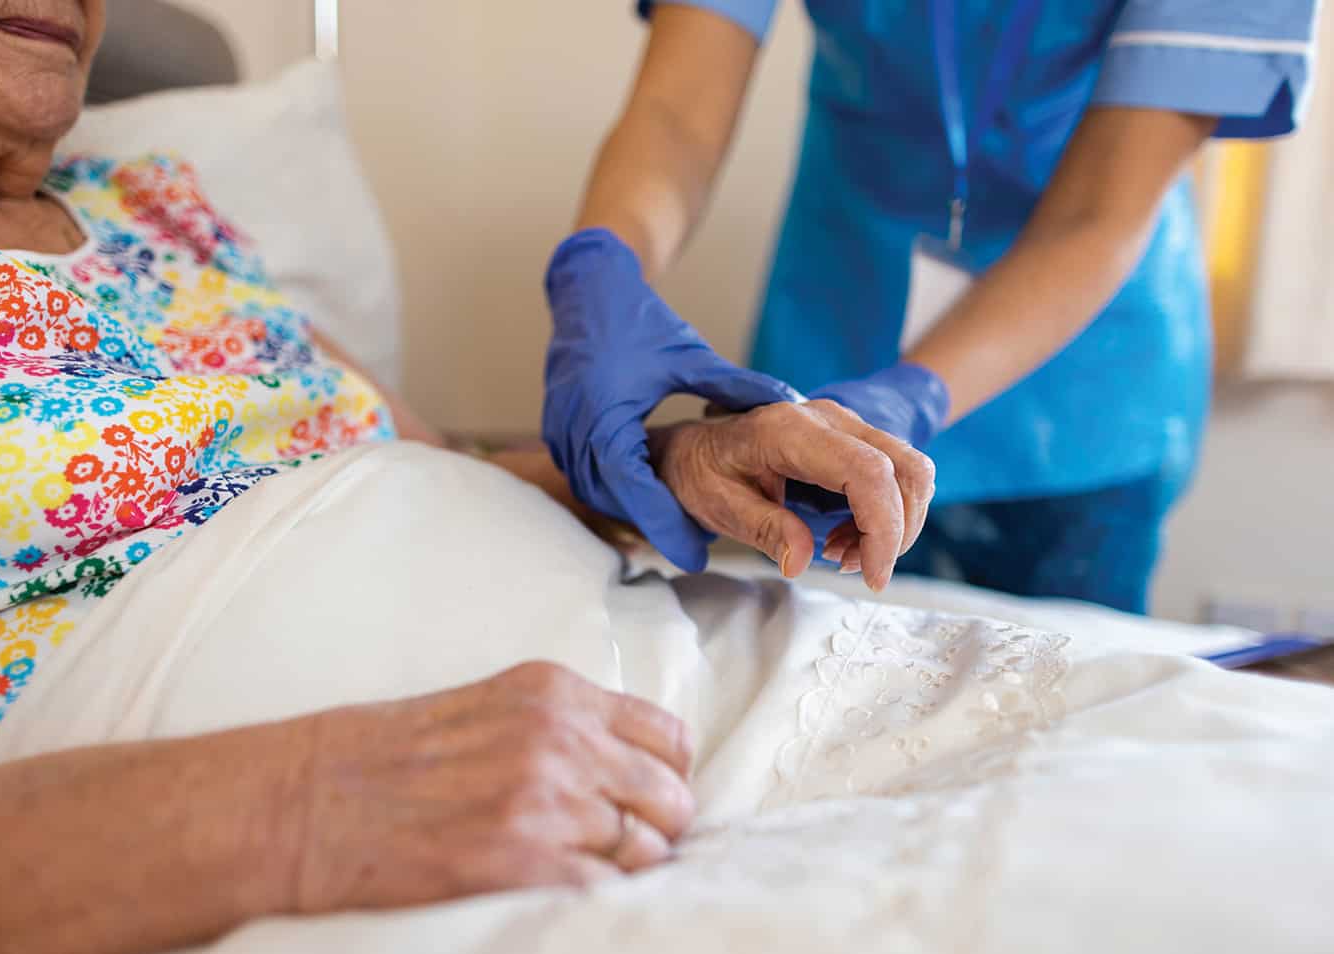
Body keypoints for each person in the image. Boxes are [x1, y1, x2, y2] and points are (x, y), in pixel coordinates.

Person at [0, 2, 936, 954]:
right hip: (335, 865)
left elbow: (429, 471)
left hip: (654, 719)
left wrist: (679, 465)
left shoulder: (157, 220)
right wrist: (300, 809)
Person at [542, 0, 1319, 613]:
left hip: (1079, 376)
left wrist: (905, 396)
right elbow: (674, 114)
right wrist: (602, 271)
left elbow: (1096, 216)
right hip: (838, 315)